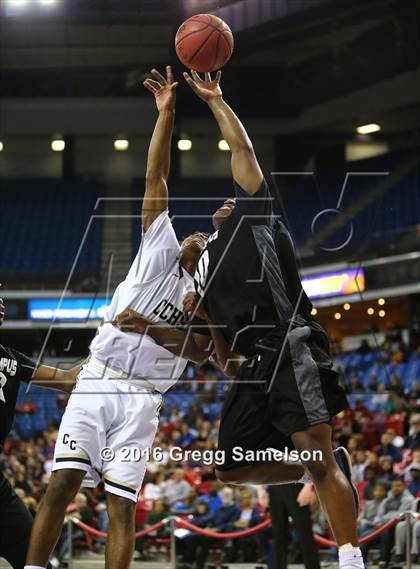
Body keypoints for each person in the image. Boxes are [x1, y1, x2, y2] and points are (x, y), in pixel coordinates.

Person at [122, 69, 362, 569]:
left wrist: (214, 100)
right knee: (231, 464)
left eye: (232, 198)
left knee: (318, 453)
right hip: (252, 364)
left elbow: (242, 152)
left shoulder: (258, 217)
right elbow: (221, 360)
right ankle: (308, 470)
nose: (226, 201)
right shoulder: (203, 277)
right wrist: (200, 312)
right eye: (221, 203)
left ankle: (350, 557)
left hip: (288, 340)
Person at [24, 66, 210, 569]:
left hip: (145, 400)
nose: (197, 237)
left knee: (121, 507)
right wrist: (167, 112)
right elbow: (157, 175)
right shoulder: (158, 248)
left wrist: (148, 326)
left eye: (205, 241)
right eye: (196, 234)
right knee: (60, 484)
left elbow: (200, 353)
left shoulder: (203, 300)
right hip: (99, 380)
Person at [0, 297, 80, 569]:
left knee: (34, 560)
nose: (0, 300)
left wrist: (108, 343)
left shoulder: (11, 358)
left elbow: (68, 380)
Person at [269, 483, 321, 569]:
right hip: (274, 485)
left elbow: (311, 469)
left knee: (305, 535)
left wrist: (308, 486)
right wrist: (261, 489)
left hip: (296, 483)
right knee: (278, 537)